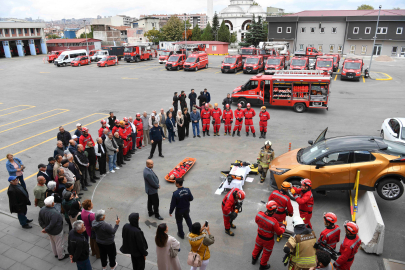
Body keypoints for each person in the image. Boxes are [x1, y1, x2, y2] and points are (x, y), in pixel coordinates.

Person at [252, 201, 286, 270]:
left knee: (257, 248)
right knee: (266, 253)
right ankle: (262, 266)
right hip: (268, 241)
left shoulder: (259, 214)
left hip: (259, 237)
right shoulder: (274, 222)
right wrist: (284, 226)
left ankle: (254, 259)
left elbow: (256, 221)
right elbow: (279, 232)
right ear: (273, 210)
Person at [39, 196, 69, 260]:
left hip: (49, 231)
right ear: (52, 203)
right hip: (56, 231)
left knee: (52, 242)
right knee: (59, 244)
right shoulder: (55, 213)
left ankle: (55, 254)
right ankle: (61, 256)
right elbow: (52, 223)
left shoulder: (42, 209)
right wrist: (46, 229)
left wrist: (44, 228)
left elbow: (40, 220)